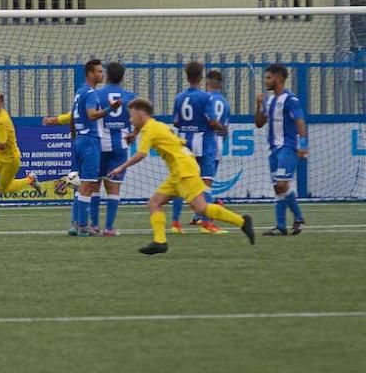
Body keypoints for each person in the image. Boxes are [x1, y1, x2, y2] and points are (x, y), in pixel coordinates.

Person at [109, 98, 254, 255]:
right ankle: (160, 242)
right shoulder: (158, 125)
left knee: (201, 208)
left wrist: (121, 167)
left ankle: (242, 221)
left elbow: (142, 154)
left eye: (131, 115)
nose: (130, 119)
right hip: (179, 170)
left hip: (184, 170)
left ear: (140, 113)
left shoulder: (149, 129)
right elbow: (180, 142)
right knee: (154, 203)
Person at [44, 59, 119, 235]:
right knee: (89, 185)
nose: (102, 74)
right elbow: (92, 115)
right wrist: (110, 108)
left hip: (79, 140)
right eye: (99, 71)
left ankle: (75, 223)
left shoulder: (80, 92)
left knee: (80, 184)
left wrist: (74, 136)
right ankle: (84, 227)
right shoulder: (91, 93)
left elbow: (72, 118)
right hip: (90, 141)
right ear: (90, 73)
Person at [170, 62, 226, 235]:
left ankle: (175, 223)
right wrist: (221, 128)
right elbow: (212, 121)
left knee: (182, 184)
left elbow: (176, 122)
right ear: (201, 78)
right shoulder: (206, 97)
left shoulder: (179, 98)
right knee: (205, 184)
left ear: (187, 77)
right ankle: (207, 223)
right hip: (205, 143)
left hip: (185, 144)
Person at [255, 64, 308, 236]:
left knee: (282, 184)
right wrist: (259, 105)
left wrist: (303, 144)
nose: (266, 80)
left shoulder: (290, 99)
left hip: (288, 147)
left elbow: (300, 121)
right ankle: (281, 226)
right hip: (274, 149)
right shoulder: (269, 100)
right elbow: (259, 123)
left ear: (278, 79)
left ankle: (298, 217)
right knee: (278, 188)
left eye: (269, 77)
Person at [97, 62, 136, 236]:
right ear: (122, 76)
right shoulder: (130, 96)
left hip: (99, 144)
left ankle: (94, 225)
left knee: (94, 185)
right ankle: (109, 228)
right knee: (114, 188)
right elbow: (142, 118)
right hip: (120, 145)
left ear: (106, 75)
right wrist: (134, 133)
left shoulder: (97, 94)